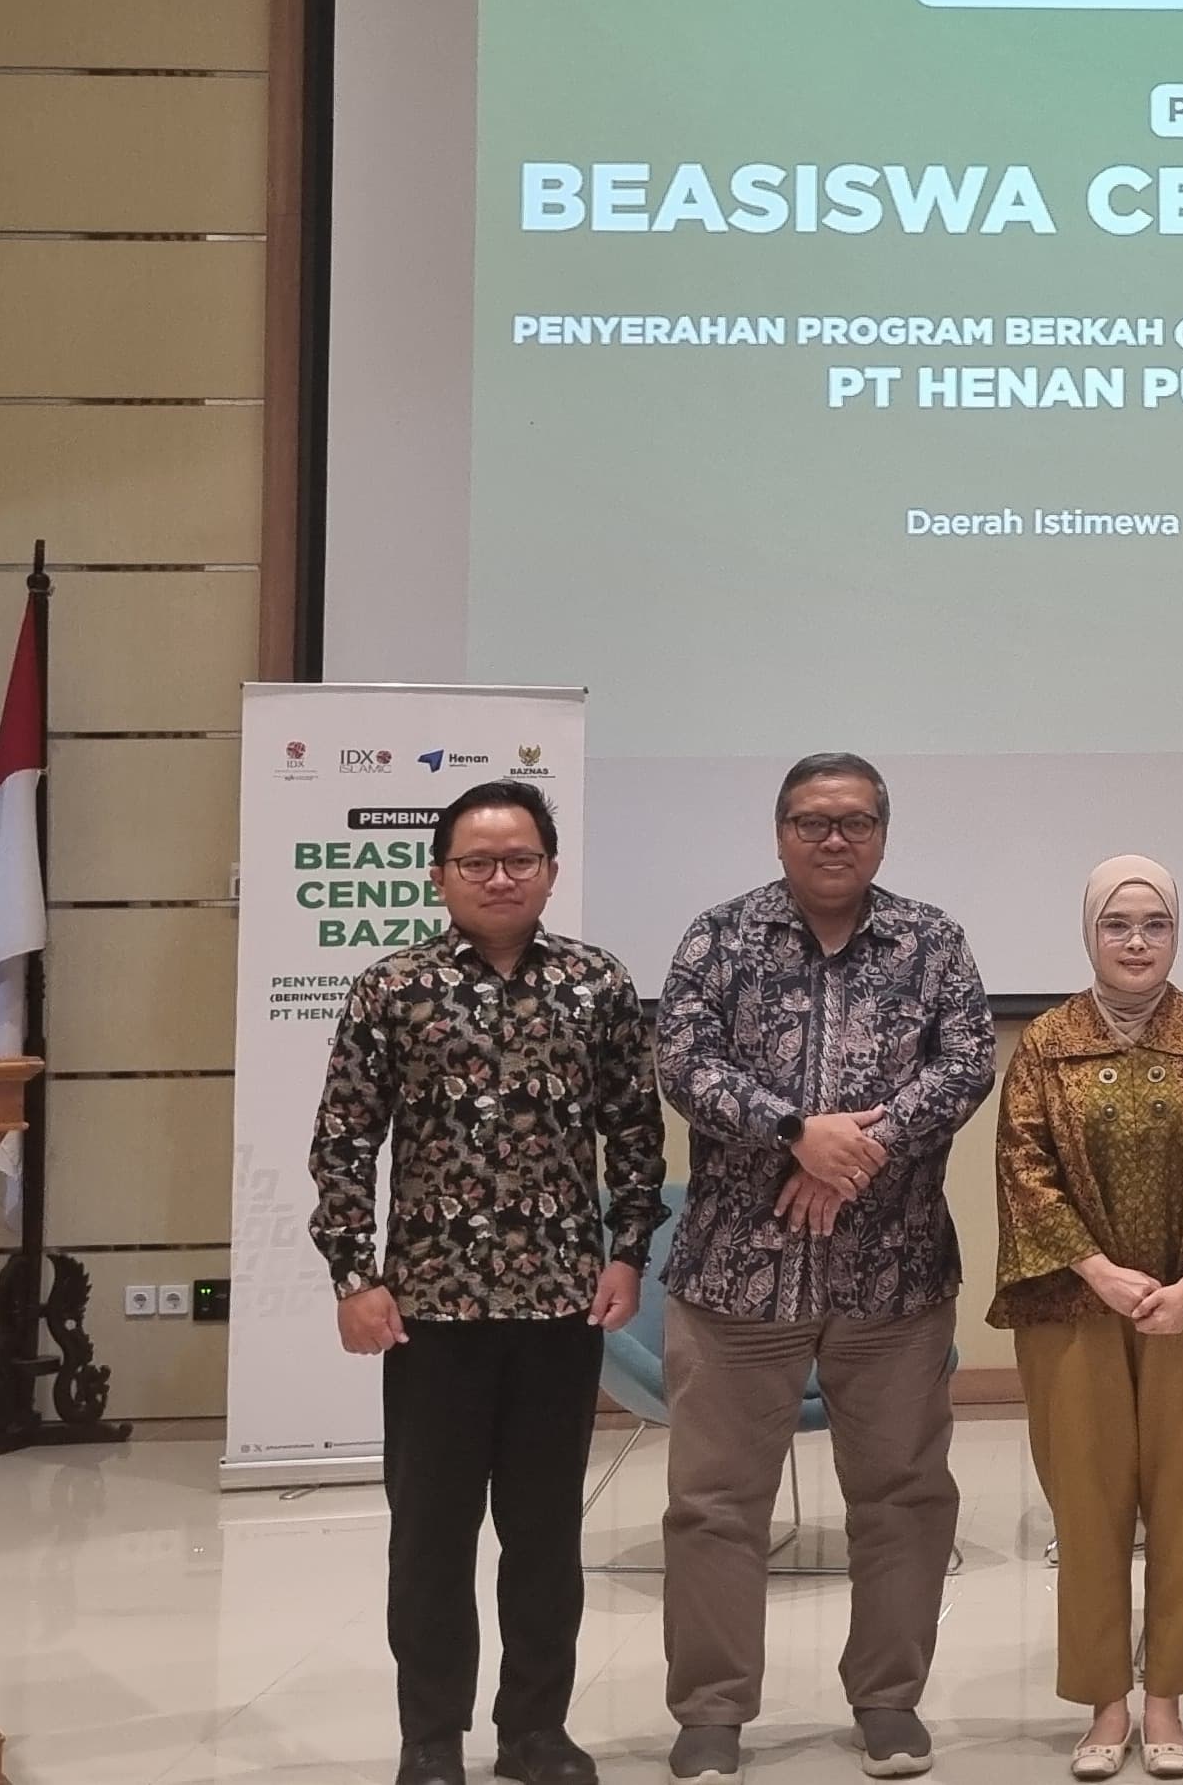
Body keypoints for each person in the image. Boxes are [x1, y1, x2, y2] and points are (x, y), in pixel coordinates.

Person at [306, 779, 661, 1785]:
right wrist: (353, 1272)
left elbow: (634, 1132)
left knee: (544, 1533)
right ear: (441, 874)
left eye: (519, 859)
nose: (499, 876)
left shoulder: (597, 983)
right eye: (477, 860)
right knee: (431, 1533)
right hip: (432, 1310)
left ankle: (535, 1730)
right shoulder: (392, 986)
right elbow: (343, 1138)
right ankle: (430, 1736)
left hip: (559, 1305)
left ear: (550, 870)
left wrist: (627, 1249)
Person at [652, 754, 996, 1783]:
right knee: (714, 1501)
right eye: (811, 820)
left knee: (901, 1494)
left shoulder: (932, 940)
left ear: (882, 833)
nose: (832, 837)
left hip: (892, 1275)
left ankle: (887, 1699)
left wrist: (858, 1152)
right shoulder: (717, 936)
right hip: (734, 1273)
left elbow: (968, 1061)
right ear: (778, 831)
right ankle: (711, 1709)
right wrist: (797, 1131)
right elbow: (683, 1061)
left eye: (853, 821)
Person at [991, 857, 1183, 1781]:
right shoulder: (1045, 1040)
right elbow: (1022, 1166)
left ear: (1176, 933)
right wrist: (1099, 1270)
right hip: (1072, 1303)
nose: (1135, 941)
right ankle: (1104, 1702)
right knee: (1088, 1506)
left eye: (1153, 924)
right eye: (1117, 924)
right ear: (1089, 932)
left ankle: (1165, 1697)